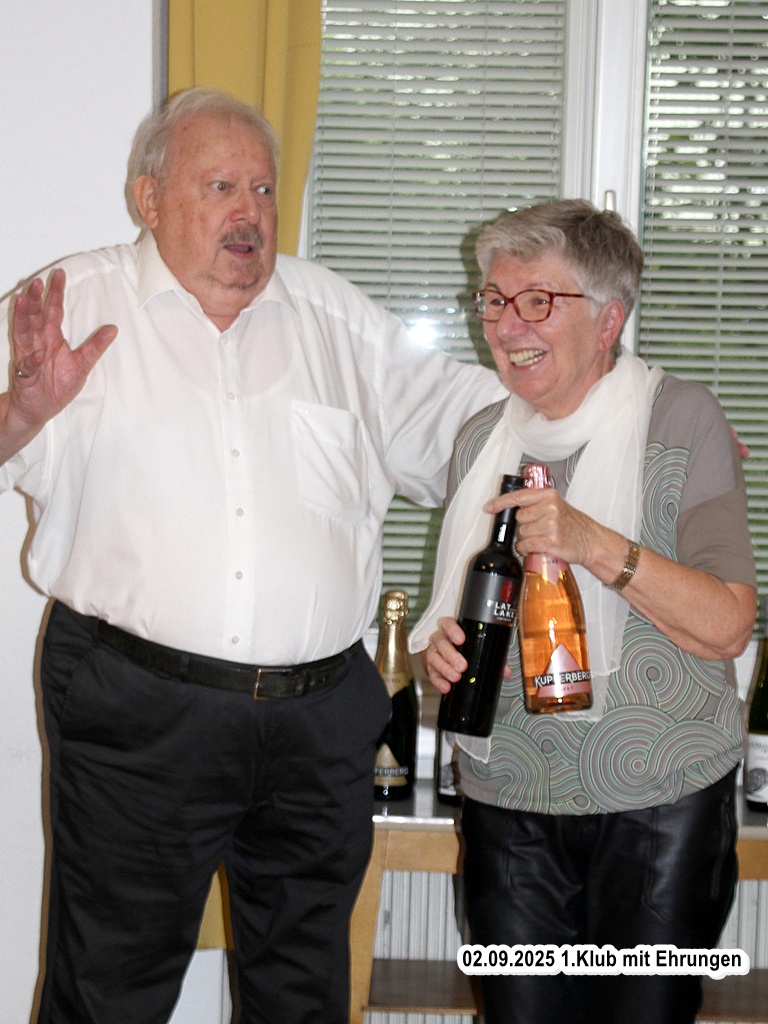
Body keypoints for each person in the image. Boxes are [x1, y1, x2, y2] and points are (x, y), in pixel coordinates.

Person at [0, 87, 505, 1024]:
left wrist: (621, 418)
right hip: (137, 711)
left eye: (264, 189)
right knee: (107, 993)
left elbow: (475, 428)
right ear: (149, 198)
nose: (249, 213)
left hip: (319, 720)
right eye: (220, 186)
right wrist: (20, 412)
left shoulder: (337, 319)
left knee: (303, 996)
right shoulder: (69, 305)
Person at [410, 199, 756, 1024]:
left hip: (660, 804)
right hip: (507, 799)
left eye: (537, 300)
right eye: (495, 300)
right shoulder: (481, 441)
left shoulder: (684, 419)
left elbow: (728, 624)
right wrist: (440, 653)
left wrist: (593, 542)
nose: (507, 324)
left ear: (608, 320)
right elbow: (471, 614)